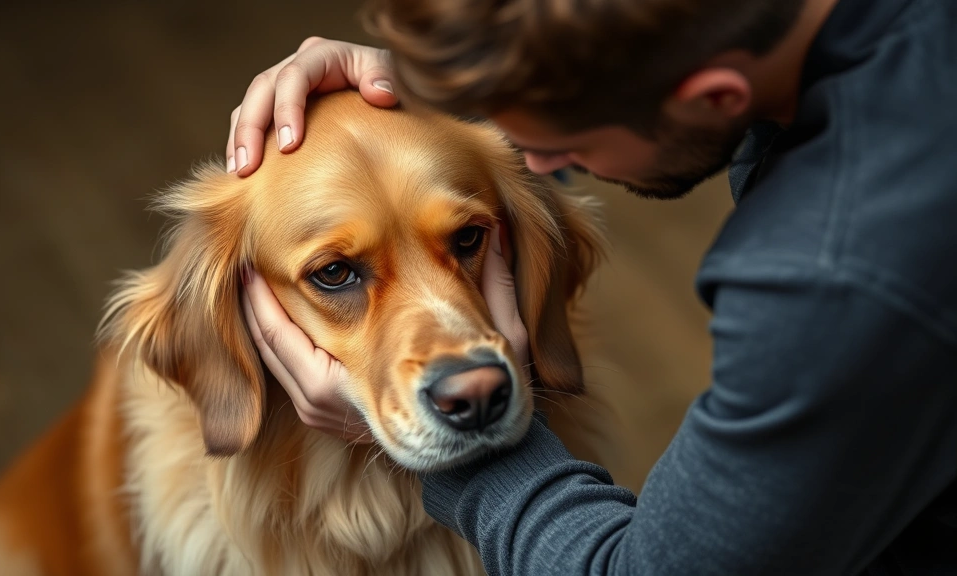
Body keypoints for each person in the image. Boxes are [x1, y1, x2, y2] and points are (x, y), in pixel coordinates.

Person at [232, 0, 957, 573]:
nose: (538, 164)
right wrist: (439, 102)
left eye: (564, 145)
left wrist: (474, 449)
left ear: (714, 97)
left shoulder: (829, 277)